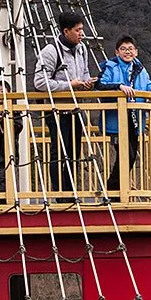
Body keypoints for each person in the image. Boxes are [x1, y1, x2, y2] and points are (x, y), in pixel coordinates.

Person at [34, 10, 99, 195]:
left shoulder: (82, 49)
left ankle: (70, 190)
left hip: (76, 106)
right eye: (77, 30)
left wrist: (86, 83)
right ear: (66, 31)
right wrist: (69, 84)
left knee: (74, 151)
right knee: (58, 151)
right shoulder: (50, 51)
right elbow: (39, 82)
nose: (81, 33)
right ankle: (58, 192)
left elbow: (84, 72)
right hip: (56, 108)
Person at [97, 35, 151, 193]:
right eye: (123, 49)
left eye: (130, 49)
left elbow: (148, 84)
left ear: (136, 52)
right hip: (117, 119)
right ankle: (113, 190)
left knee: (131, 155)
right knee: (126, 154)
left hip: (135, 118)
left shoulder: (140, 68)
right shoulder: (110, 66)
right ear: (117, 52)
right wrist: (119, 86)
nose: (127, 52)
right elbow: (100, 85)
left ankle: (115, 189)